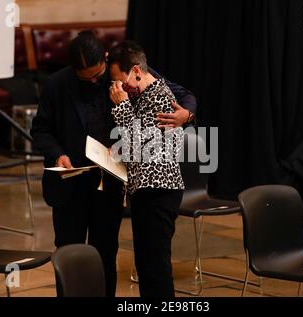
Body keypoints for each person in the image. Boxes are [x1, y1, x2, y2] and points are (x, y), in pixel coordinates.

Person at [30, 30, 197, 297]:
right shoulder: (56, 85)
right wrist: (56, 154)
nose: (94, 81)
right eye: (85, 78)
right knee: (68, 253)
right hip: (69, 182)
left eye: (98, 75)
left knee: (106, 254)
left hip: (108, 183)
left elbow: (181, 94)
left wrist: (187, 115)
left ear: (105, 60)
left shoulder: (126, 74)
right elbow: (41, 130)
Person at [108, 41, 184, 297]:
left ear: (137, 70)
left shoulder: (160, 98)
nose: (121, 88)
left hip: (159, 191)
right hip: (146, 191)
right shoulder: (144, 96)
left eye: (122, 81)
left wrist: (120, 106)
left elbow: (138, 148)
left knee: (156, 268)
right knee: (146, 266)